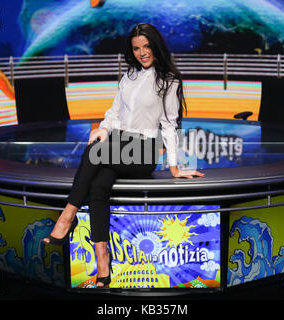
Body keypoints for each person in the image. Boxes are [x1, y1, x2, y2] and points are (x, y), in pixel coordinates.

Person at [43, 23, 204, 288]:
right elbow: (114, 112)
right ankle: (102, 260)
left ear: (156, 46)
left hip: (144, 150)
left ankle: (66, 217)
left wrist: (174, 168)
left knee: (94, 152)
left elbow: (169, 125)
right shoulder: (128, 76)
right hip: (119, 145)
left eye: (146, 46)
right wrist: (104, 129)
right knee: (98, 184)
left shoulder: (169, 81)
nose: (142, 53)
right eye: (136, 48)